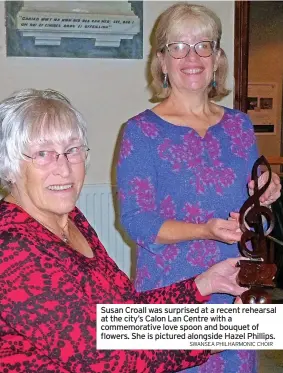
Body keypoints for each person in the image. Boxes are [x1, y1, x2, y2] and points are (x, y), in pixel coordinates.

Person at [0, 88, 246, 372]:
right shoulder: (12, 249)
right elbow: (106, 357)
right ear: (10, 165)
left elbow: (122, 314)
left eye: (72, 150)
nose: (64, 169)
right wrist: (226, 330)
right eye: (43, 154)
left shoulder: (68, 219)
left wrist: (203, 284)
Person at [117, 3, 281, 373]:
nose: (192, 57)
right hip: (173, 292)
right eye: (178, 46)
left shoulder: (239, 126)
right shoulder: (140, 132)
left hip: (236, 290)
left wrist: (267, 190)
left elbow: (255, 205)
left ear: (217, 57)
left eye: (203, 45)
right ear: (161, 60)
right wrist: (205, 230)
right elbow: (138, 223)